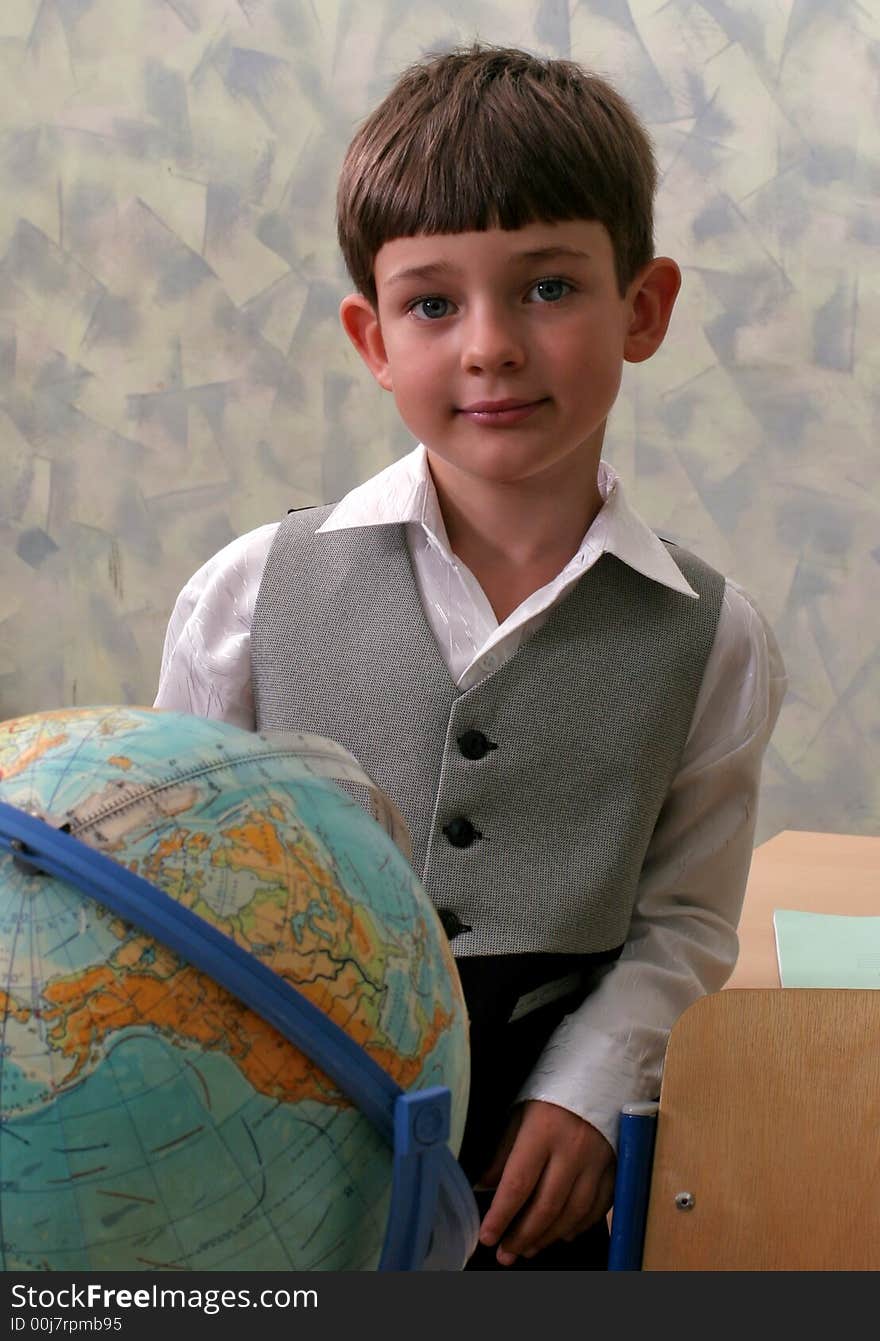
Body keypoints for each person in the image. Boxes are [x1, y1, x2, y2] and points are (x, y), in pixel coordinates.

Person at [155, 44, 786, 1270]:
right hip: (276, 1144)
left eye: (547, 288)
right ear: (372, 337)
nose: (489, 346)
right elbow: (181, 888)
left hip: (539, 1177)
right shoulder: (243, 597)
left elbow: (685, 923)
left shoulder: (715, 635)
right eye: (433, 304)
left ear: (642, 308)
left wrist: (587, 1093)